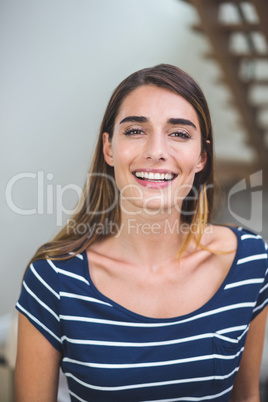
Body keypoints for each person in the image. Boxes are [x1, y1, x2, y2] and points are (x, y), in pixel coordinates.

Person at [15, 64, 268, 402]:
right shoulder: (53, 279)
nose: (156, 151)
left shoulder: (249, 262)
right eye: (135, 130)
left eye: (179, 133)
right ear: (108, 148)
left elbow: (247, 397)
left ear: (201, 157)